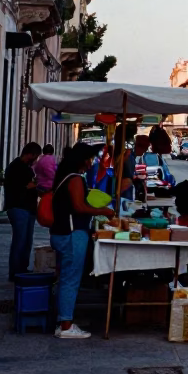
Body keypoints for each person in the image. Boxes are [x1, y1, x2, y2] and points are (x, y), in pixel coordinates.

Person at [49, 143, 115, 339]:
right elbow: (78, 207)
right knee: (71, 279)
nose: (91, 163)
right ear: (82, 159)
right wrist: (104, 211)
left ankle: (64, 319)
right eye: (90, 159)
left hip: (62, 233)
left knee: (66, 278)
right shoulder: (75, 179)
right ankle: (66, 325)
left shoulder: (65, 176)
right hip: (71, 233)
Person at [4, 142, 41, 281]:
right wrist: (29, 186)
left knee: (26, 240)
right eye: (35, 156)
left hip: (28, 208)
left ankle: (22, 268)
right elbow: (14, 187)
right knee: (19, 240)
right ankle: (15, 272)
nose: (36, 159)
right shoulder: (15, 167)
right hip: (18, 208)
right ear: (30, 154)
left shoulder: (27, 168)